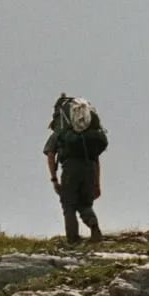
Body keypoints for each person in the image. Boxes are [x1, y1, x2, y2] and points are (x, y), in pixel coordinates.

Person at [43, 95, 105, 244]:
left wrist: (54, 179)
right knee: (85, 203)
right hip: (89, 168)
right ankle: (94, 227)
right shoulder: (90, 133)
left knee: (68, 204)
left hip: (71, 168)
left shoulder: (60, 132)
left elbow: (51, 155)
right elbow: (96, 159)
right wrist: (97, 183)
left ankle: (73, 239)